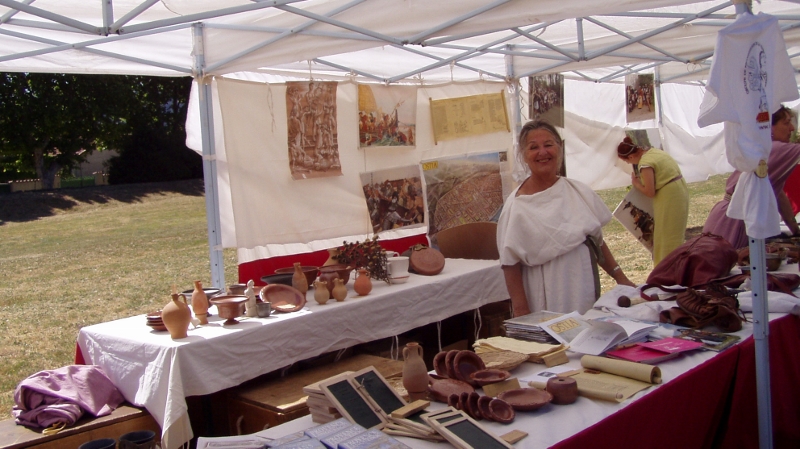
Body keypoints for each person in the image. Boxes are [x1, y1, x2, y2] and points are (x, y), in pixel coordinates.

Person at [496, 120, 635, 317]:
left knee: (584, 331)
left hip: (582, 286)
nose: (542, 152)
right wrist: (521, 309)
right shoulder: (517, 206)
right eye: (533, 147)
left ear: (559, 148)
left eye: (548, 144)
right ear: (524, 155)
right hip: (544, 293)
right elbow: (510, 263)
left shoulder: (578, 191)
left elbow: (596, 241)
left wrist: (620, 277)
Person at [703, 105, 800, 248]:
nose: (791, 128)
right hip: (735, 219)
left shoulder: (762, 148)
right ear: (769, 128)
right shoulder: (774, 149)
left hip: (730, 215)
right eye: (786, 123)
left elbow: (778, 194)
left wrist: (795, 231)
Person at [617, 137, 689, 264]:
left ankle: (667, 267)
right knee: (672, 234)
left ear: (631, 157)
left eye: (627, 161)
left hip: (669, 197)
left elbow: (649, 192)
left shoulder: (645, 163)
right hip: (679, 190)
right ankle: (671, 265)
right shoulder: (654, 152)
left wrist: (636, 184)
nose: (629, 164)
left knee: (666, 236)